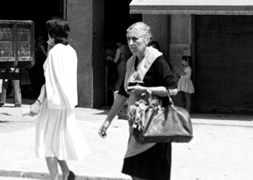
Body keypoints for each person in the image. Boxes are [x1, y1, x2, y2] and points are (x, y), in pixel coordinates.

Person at [98, 22, 178, 180]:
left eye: (135, 39)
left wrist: (147, 90)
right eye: (128, 39)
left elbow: (173, 89)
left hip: (156, 126)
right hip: (137, 125)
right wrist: (108, 120)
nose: (131, 43)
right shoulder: (130, 62)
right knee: (135, 172)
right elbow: (123, 93)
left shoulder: (158, 61)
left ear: (147, 39)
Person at [29, 18, 90, 180]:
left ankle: (54, 177)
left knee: (47, 142)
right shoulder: (71, 51)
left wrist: (38, 102)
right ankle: (67, 172)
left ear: (52, 34)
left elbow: (49, 83)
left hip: (52, 104)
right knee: (58, 140)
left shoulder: (55, 53)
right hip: (66, 104)